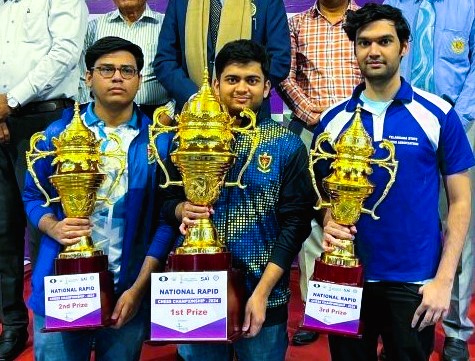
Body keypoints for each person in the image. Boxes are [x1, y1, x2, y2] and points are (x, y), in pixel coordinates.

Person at [313, 4, 474, 360]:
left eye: (384, 41)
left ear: (404, 46)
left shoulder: (437, 115)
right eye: (364, 42)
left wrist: (444, 279)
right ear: (353, 49)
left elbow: (461, 202)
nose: (373, 51)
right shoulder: (332, 121)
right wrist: (327, 219)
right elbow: (322, 195)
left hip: (414, 280)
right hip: (344, 276)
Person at [22, 37, 175, 361]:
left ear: (139, 79)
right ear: (88, 77)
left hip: (127, 288)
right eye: (107, 69)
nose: (117, 77)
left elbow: (165, 222)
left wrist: (138, 289)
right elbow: (32, 195)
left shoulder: (158, 143)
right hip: (61, 289)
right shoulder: (58, 134)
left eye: (127, 70)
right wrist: (52, 226)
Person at [161, 39, 315, 361]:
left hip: (262, 296)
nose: (242, 88)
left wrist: (262, 292)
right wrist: (181, 209)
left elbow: (296, 225)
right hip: (195, 291)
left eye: (252, 80)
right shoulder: (188, 136)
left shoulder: (287, 145)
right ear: (216, 84)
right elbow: (166, 203)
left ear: (267, 86)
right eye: (232, 79)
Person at [381, 1, 475, 359]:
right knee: (398, 219)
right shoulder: (391, 4)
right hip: (400, 127)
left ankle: (455, 329)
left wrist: (457, 117)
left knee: (459, 225)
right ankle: (397, 325)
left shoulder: (467, 6)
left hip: (460, 123)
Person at [0, 0, 88, 359]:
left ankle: (51, 322)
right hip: (2, 121)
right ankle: (13, 325)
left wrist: (12, 101)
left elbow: (65, 51)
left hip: (44, 121)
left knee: (46, 227)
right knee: (3, 229)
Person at [277, 0, 362, 346]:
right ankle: (317, 310)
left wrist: (355, 113)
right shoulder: (296, 23)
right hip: (313, 129)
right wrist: (309, 111)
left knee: (363, 220)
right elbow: (284, 73)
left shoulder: (364, 20)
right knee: (315, 220)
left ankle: (361, 308)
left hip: (361, 133)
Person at [153, 0, 291, 115]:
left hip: (249, 115)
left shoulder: (268, 2)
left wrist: (242, 90)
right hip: (192, 115)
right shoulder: (181, 2)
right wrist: (197, 97)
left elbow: (280, 60)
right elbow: (165, 60)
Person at [78, 0, 175, 123]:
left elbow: (182, 73)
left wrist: (169, 113)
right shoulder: (93, 27)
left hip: (157, 116)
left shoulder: (167, 25)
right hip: (103, 119)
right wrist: (91, 117)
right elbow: (82, 79)